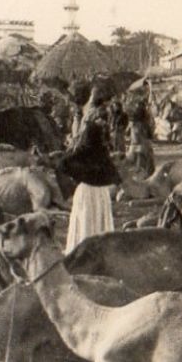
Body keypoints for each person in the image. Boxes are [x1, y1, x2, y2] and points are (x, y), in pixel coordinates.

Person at [62, 88, 121, 251]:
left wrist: (74, 173)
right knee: (98, 221)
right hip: (99, 191)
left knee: (87, 223)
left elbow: (68, 162)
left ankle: (84, 252)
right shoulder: (99, 142)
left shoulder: (90, 135)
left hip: (88, 190)